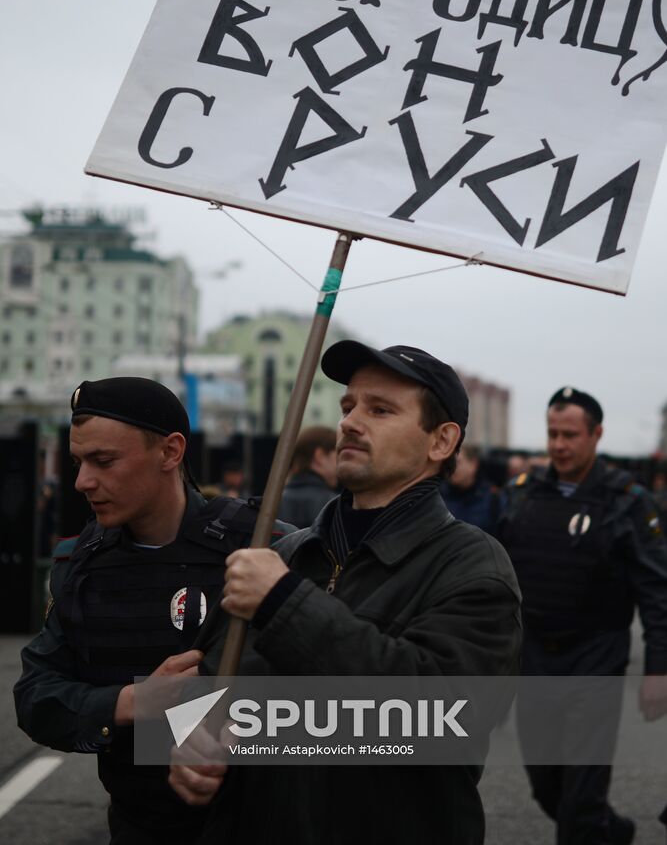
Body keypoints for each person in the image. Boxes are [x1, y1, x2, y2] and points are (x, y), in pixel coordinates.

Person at [169, 341, 522, 845]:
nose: (351, 422)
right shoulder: (284, 555)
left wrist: (284, 604)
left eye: (380, 410)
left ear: (441, 441)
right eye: (348, 406)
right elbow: (210, 685)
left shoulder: (472, 566)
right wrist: (189, 742)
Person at [14, 376, 294, 845]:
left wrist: (223, 725)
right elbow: (36, 697)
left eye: (104, 461)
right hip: (140, 828)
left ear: (170, 452)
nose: (83, 481)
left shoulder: (266, 548)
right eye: (79, 462)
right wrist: (131, 703)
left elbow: (341, 695)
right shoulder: (79, 565)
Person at [498, 386, 667, 845]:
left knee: (579, 801)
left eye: (570, 434)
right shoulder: (522, 493)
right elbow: (499, 579)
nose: (558, 445)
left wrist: (658, 666)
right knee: (546, 787)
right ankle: (614, 831)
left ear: (596, 435)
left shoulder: (627, 500)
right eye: (553, 434)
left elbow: (655, 591)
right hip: (535, 659)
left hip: (596, 660)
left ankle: (594, 827)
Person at [278, 424, 338, 528]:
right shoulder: (335, 506)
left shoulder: (269, 506)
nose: (340, 464)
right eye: (337, 455)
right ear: (320, 456)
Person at [440, 443, 500, 534]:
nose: (451, 468)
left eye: (457, 462)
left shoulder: (493, 499)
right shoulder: (438, 497)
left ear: (474, 465)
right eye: (449, 462)